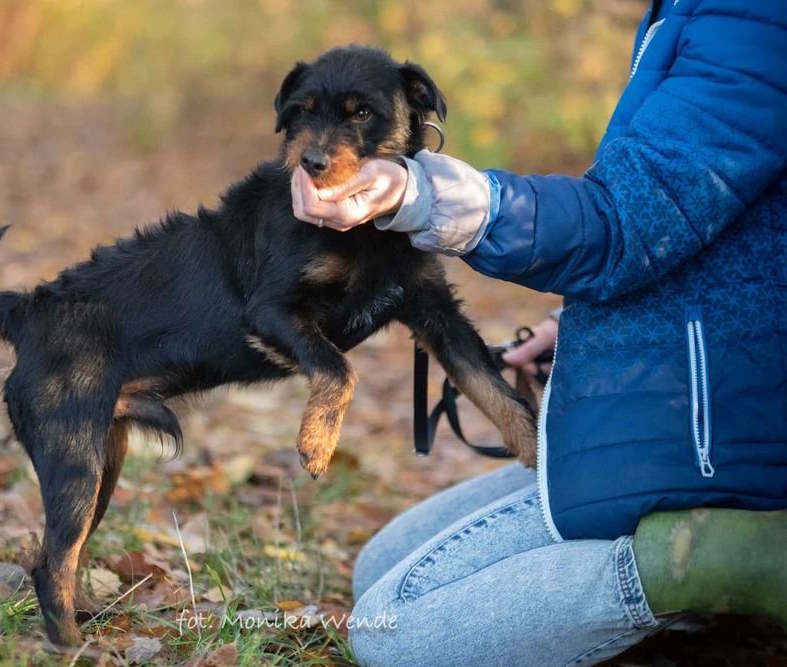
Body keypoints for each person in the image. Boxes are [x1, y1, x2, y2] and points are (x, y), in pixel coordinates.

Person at [291, 1, 787, 664]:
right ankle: (697, 625)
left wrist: (426, 196)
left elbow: (625, 223)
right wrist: (574, 327)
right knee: (374, 566)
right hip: (682, 405)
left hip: (718, 432)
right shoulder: (689, 11)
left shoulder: (754, 18)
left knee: (389, 627)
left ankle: (732, 565)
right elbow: (717, 235)